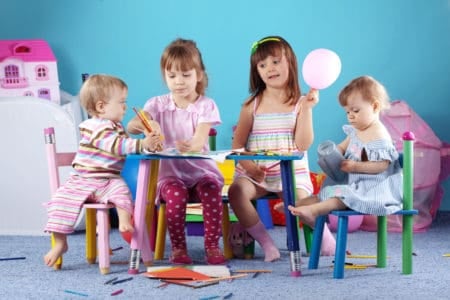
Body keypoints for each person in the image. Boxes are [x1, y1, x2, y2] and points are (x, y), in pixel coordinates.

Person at [227, 36, 335, 262]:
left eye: (276, 61)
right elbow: (237, 146)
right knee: (236, 192)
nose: (270, 69)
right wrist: (250, 167)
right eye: (262, 65)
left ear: (290, 63)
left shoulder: (300, 102)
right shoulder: (251, 105)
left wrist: (307, 109)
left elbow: (303, 145)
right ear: (256, 71)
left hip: (290, 171)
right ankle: (267, 244)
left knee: (301, 202)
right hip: (256, 173)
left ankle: (325, 234)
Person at [44, 74, 161, 268]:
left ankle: (124, 220)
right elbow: (117, 146)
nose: (125, 107)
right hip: (83, 179)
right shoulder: (95, 127)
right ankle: (60, 242)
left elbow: (127, 145)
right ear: (101, 107)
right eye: (121, 102)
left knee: (122, 192)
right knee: (60, 202)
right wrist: (142, 143)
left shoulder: (116, 126)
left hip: (109, 179)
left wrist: (149, 145)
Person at [127, 38, 226, 265]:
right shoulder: (156, 104)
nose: (179, 82)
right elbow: (131, 126)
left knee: (211, 190)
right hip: (170, 176)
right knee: (175, 194)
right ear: (165, 77)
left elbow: (200, 138)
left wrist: (190, 144)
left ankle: (212, 245)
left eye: (186, 75)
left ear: (198, 75)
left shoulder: (206, 105)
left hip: (202, 172)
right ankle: (179, 248)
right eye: (172, 76)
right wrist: (148, 126)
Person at [287, 76, 403, 228]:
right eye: (347, 112)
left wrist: (356, 167)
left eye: (355, 110)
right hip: (357, 183)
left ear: (375, 106)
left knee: (341, 196)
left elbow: (381, 166)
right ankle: (296, 205)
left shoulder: (378, 134)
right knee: (328, 192)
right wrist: (331, 156)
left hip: (374, 188)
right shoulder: (356, 131)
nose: (351, 115)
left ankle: (312, 211)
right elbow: (341, 147)